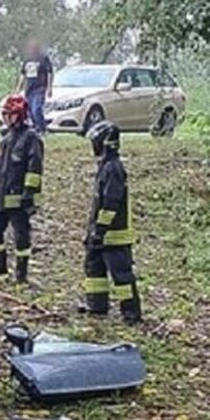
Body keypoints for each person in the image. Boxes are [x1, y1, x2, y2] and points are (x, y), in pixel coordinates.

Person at [82, 121, 141, 323]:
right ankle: (97, 306)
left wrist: (100, 228)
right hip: (99, 234)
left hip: (114, 235)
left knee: (121, 276)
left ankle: (131, 313)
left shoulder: (114, 168)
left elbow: (111, 203)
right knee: (93, 270)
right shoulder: (105, 166)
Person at [0, 95, 44, 283]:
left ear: (18, 115)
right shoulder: (6, 139)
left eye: (8, 114)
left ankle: (21, 274)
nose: (5, 118)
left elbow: (34, 167)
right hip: (3, 198)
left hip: (19, 199)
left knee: (21, 236)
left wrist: (29, 193)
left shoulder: (31, 138)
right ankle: (0, 269)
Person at [15, 37, 54, 135]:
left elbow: (49, 73)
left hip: (40, 88)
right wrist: (18, 89)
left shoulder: (43, 59)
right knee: (30, 110)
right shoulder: (27, 60)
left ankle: (42, 129)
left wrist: (49, 88)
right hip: (29, 89)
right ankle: (36, 129)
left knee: (36, 109)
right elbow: (22, 75)